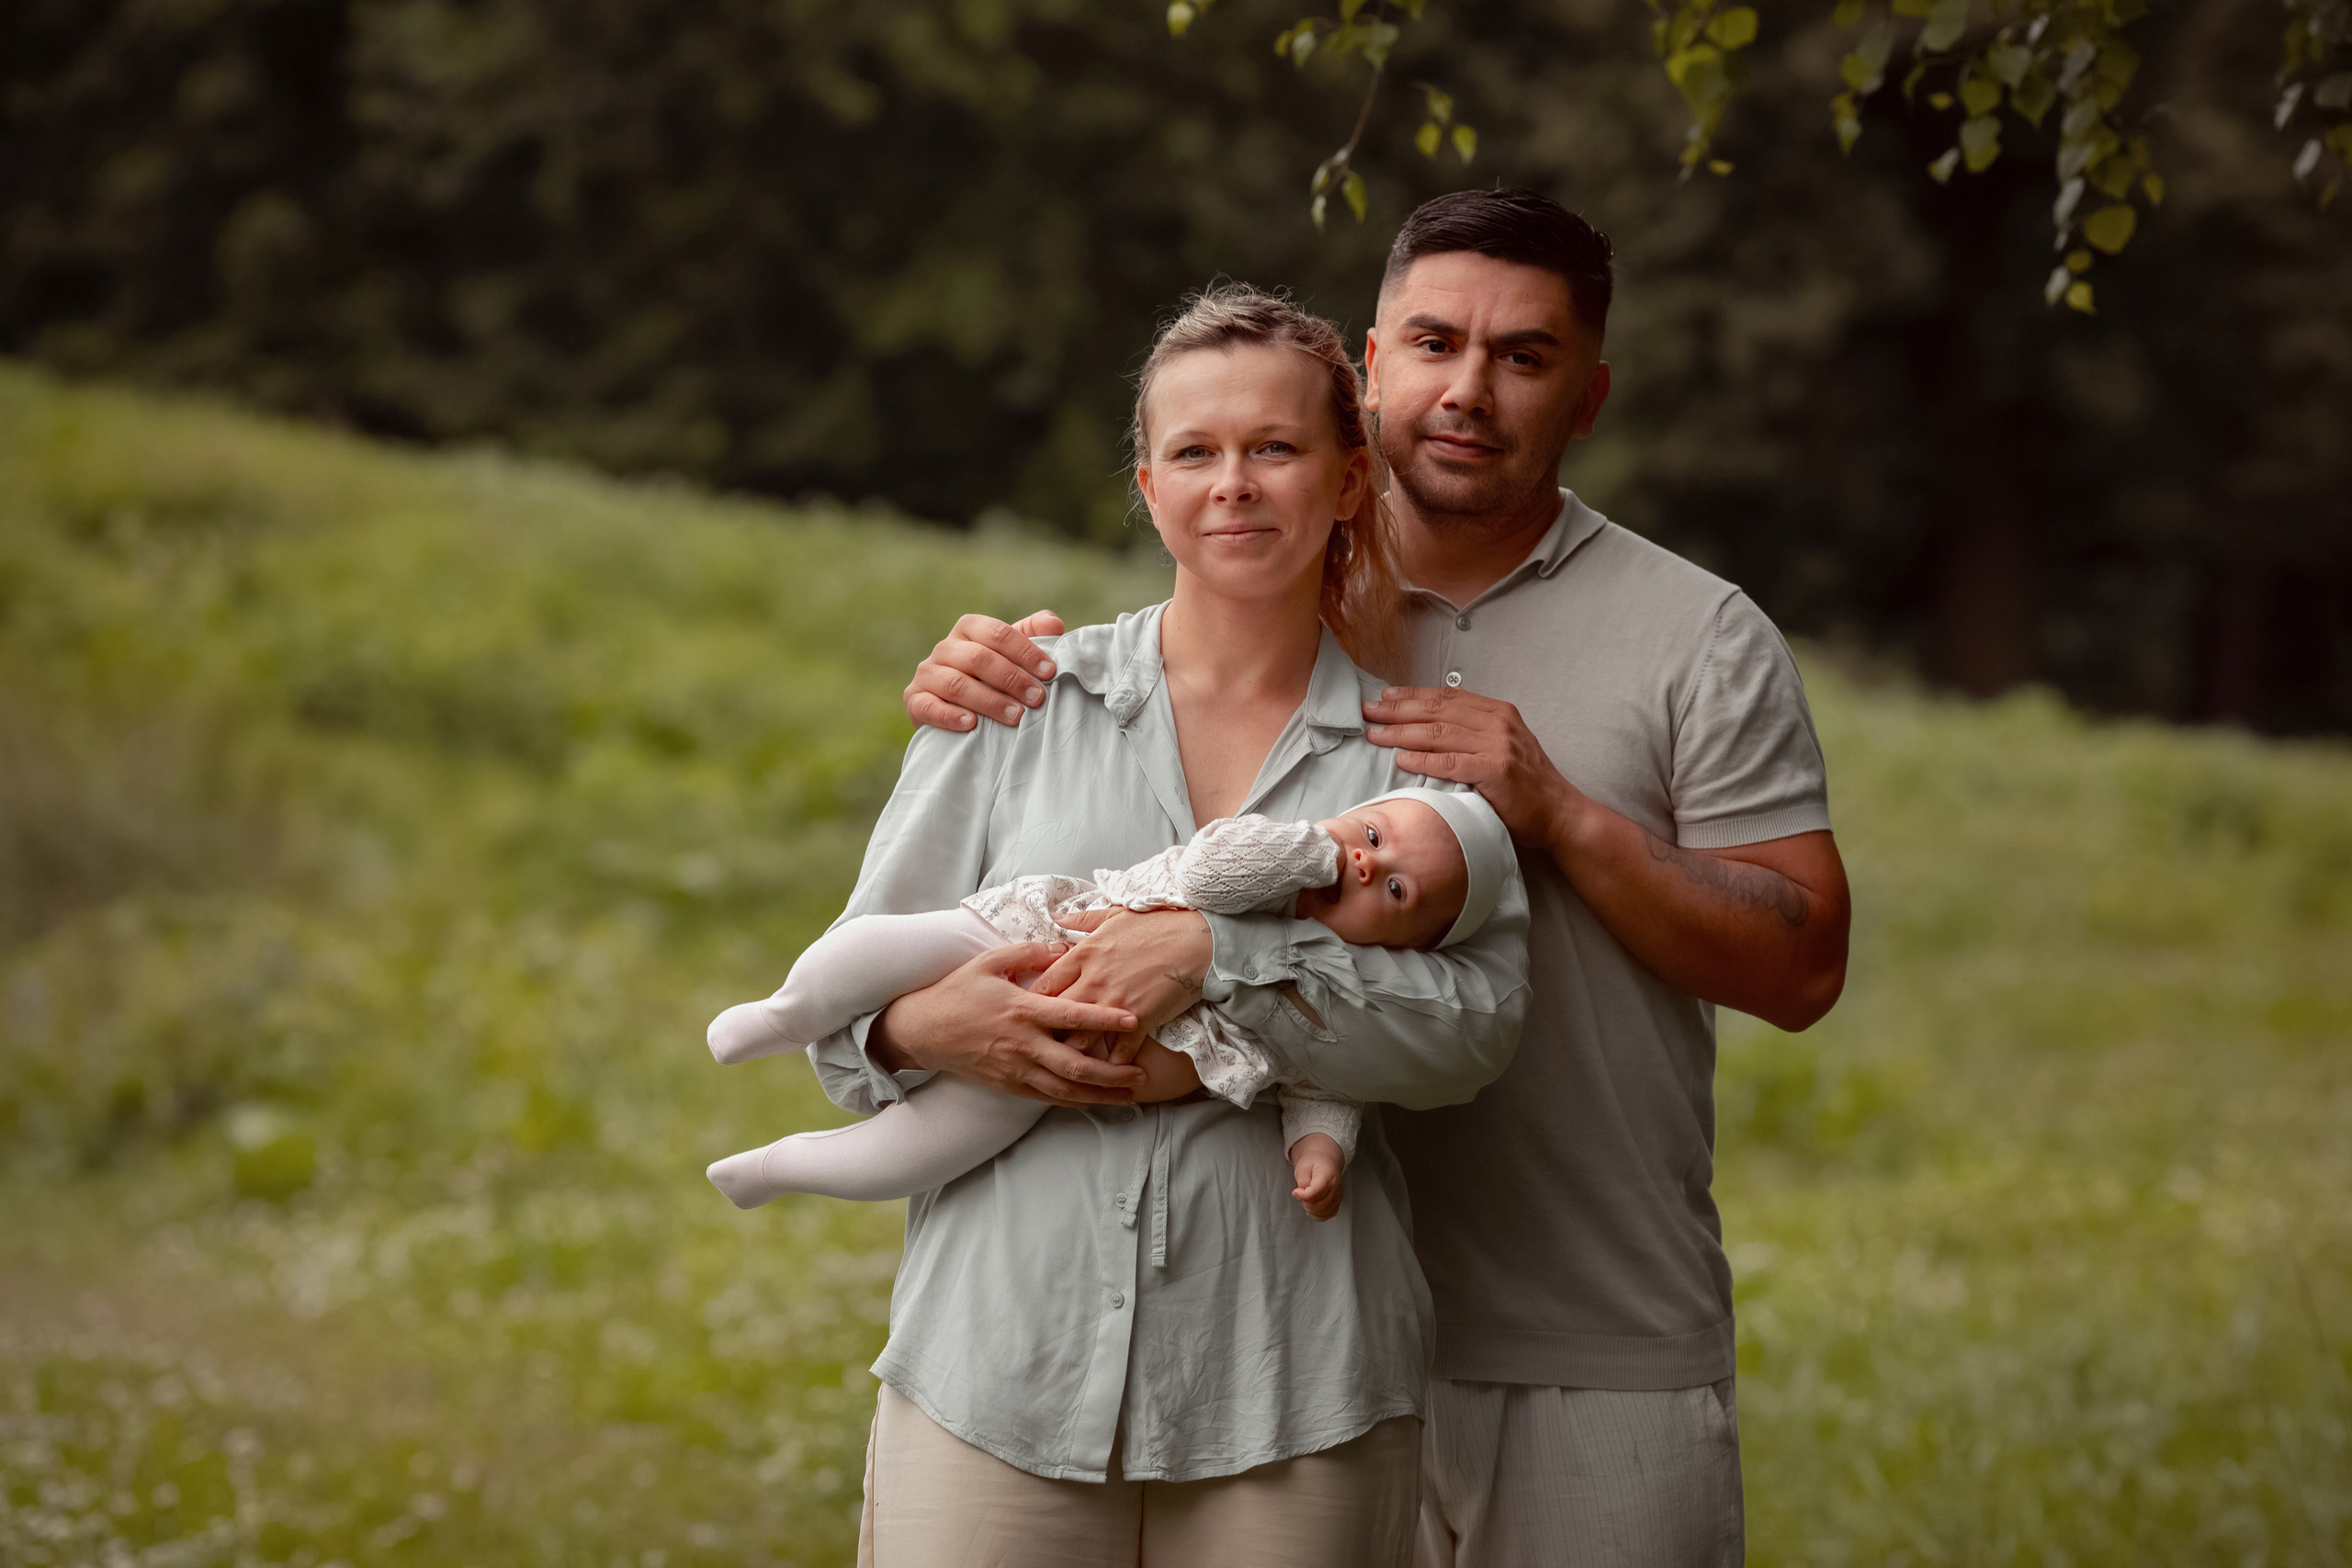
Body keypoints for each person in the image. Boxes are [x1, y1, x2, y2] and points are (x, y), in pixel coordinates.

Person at [901, 190, 1853, 1568]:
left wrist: (1558, 813)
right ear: (1370, 367)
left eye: (1526, 358)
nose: (1470, 388)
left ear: (1588, 395)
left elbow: (1803, 964)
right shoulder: (1274, 578)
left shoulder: (1696, 634)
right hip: (1274, 1335)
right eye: (1435, 342)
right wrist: (973, 685)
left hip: (1580, 1326)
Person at [801, 283, 1531, 1566]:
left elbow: (1476, 1029)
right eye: (1195, 452)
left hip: (1292, 1383)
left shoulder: (1414, 761)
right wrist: (930, 1022)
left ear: (1351, 479)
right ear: (1148, 488)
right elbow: (843, 1022)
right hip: (998, 1365)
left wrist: (1218, 961)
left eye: (1276, 448)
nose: (1234, 484)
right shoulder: (1019, 705)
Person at [703, 788, 1514, 1219]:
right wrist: (1319, 850)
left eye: (1399, 888)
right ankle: (785, 1011)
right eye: (1372, 834)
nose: (1367, 865)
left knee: (918, 1154)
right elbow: (1209, 875)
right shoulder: (1272, 862)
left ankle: (777, 1168)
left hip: (1059, 1073)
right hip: (1028, 939)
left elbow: (1329, 1077)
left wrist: (1320, 1149)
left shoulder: (1326, 988)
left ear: (1404, 949)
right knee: (884, 946)